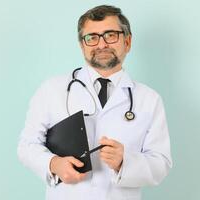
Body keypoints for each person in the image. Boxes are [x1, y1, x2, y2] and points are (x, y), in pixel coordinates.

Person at [17, 5, 172, 200]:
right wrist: (53, 163)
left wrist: (125, 162)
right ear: (82, 45)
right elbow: (27, 145)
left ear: (128, 41)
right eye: (92, 38)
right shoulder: (52, 90)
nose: (101, 45)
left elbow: (161, 163)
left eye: (111, 35)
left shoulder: (149, 99)